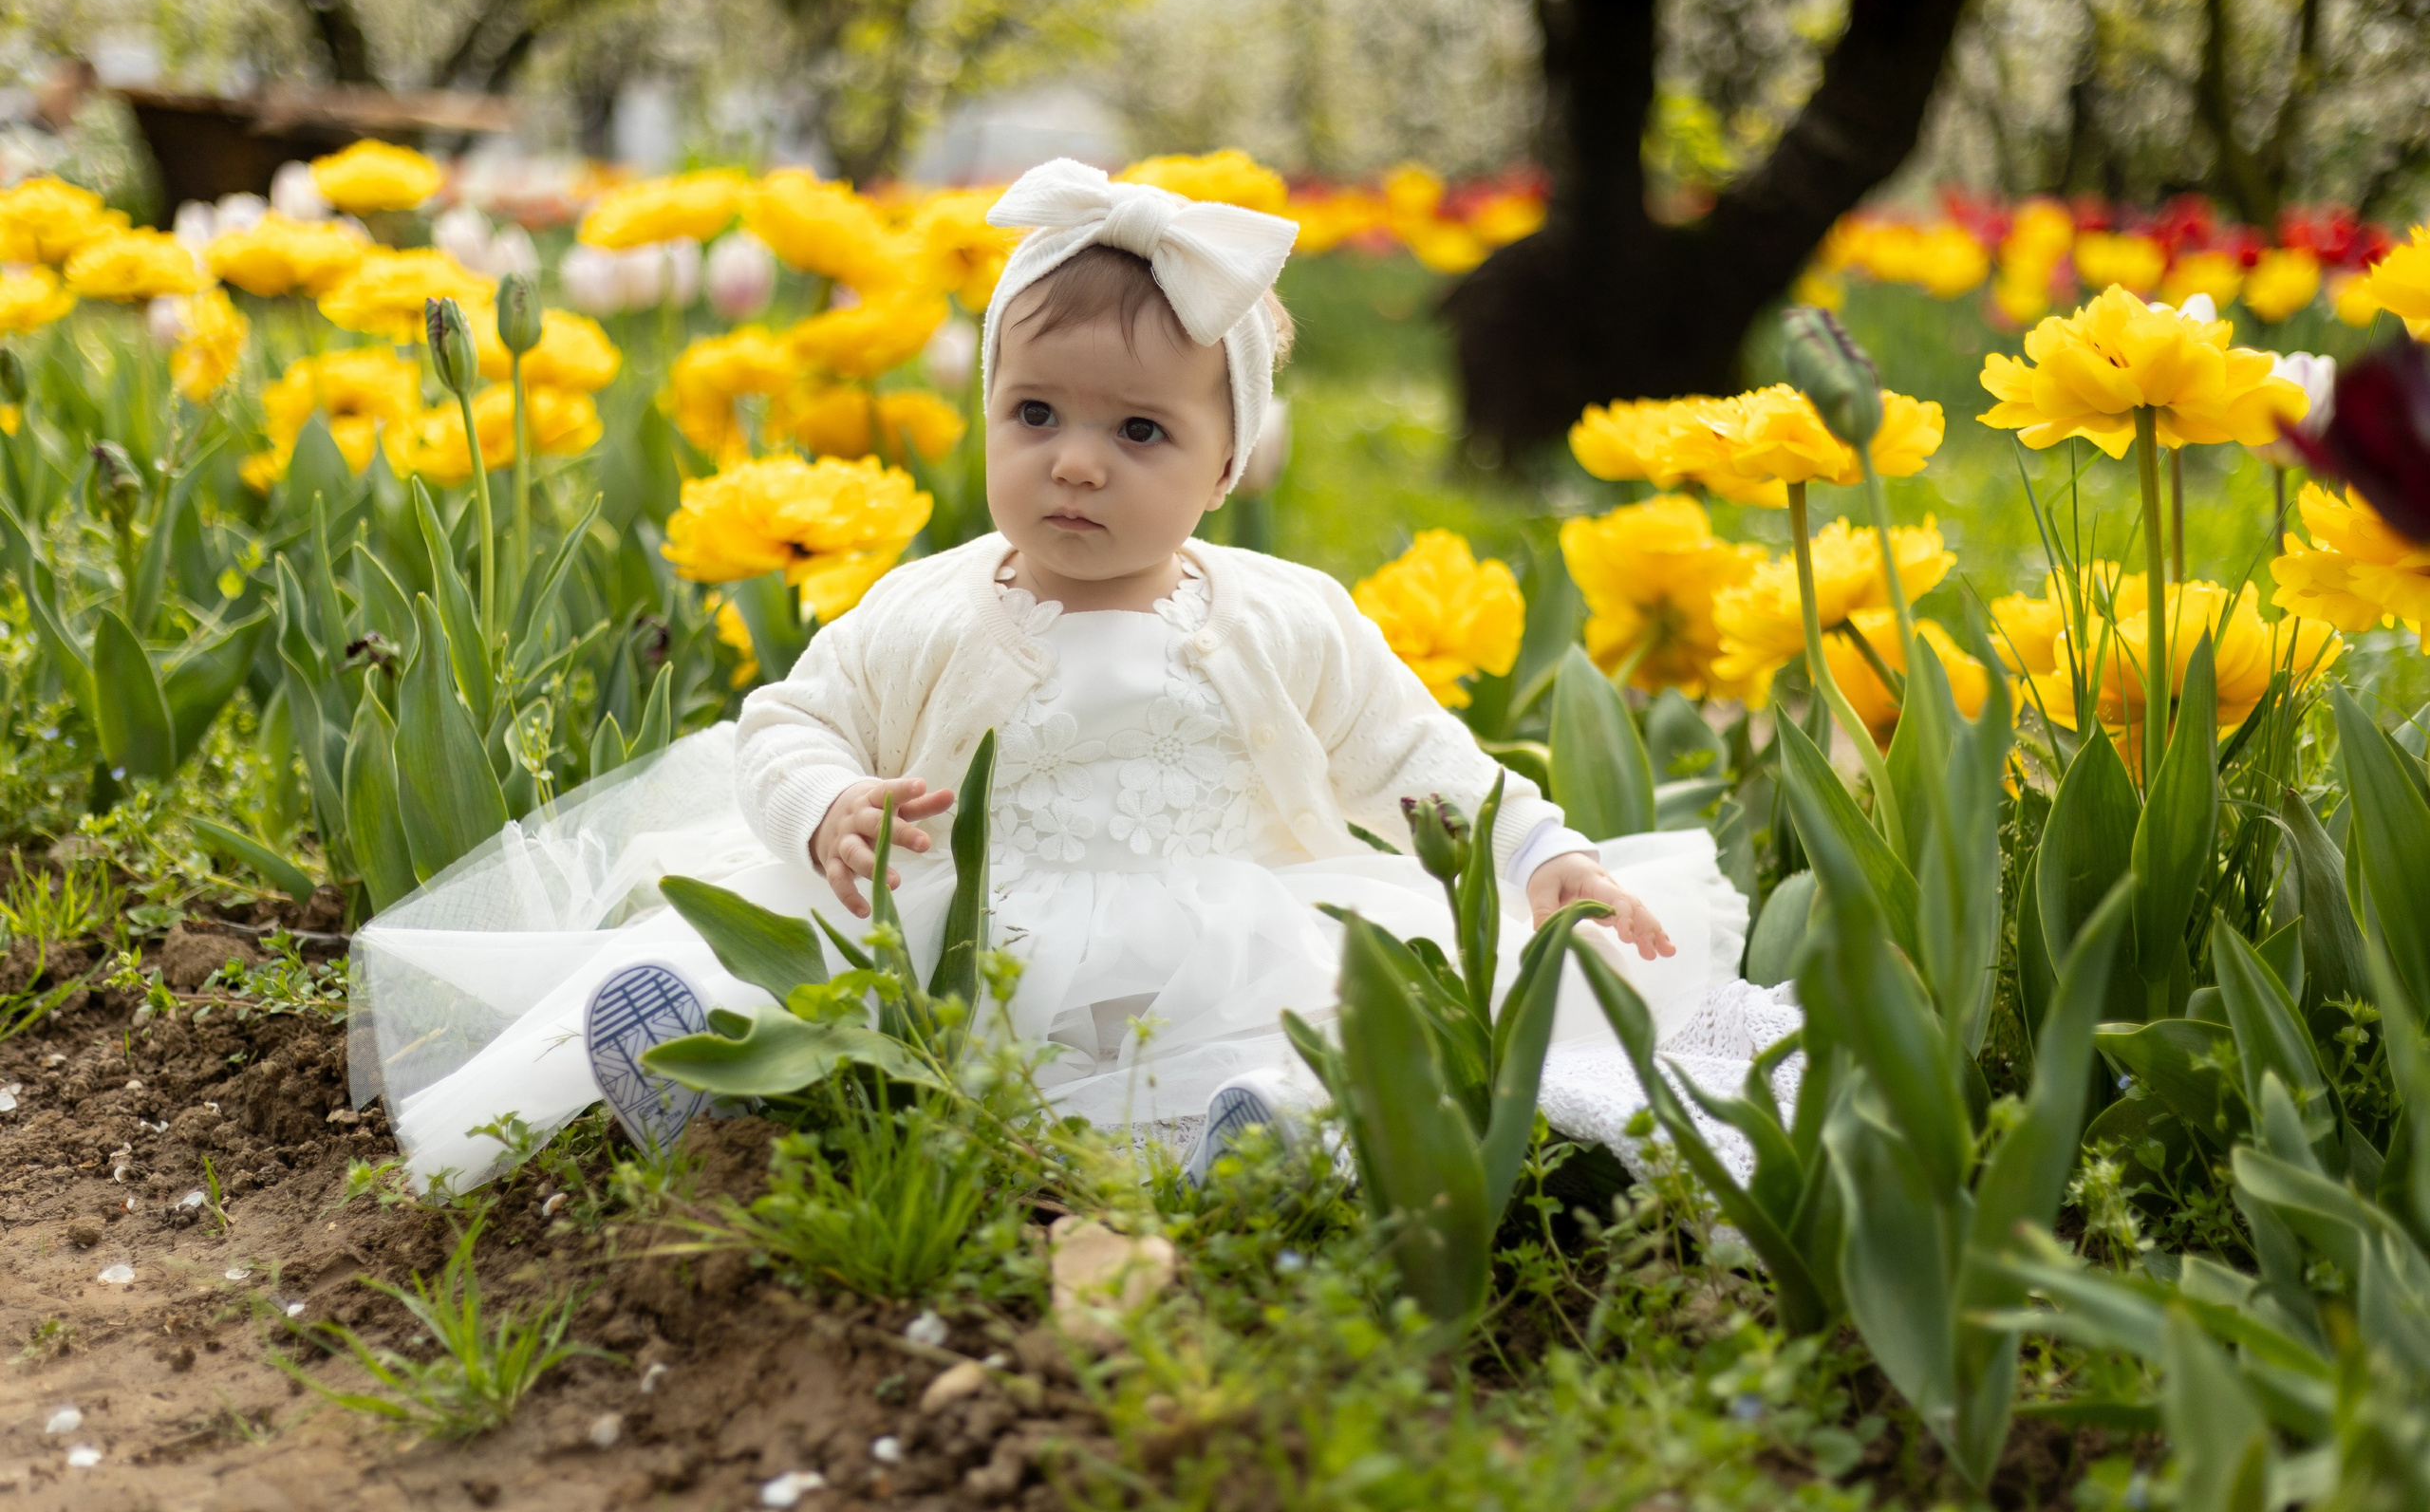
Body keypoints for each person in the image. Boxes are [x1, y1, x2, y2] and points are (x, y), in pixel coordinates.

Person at [351, 159, 1794, 1191]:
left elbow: (1422, 762)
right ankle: (716, 1088)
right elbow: (788, 718)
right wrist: (826, 807)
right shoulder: (927, 606)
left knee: (1317, 1037)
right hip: (956, 918)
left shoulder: (1287, 618)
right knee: (763, 972)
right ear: (985, 418)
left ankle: (1244, 1152)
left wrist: (1541, 851)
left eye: (1141, 432)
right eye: (1033, 413)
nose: (1077, 460)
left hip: (1219, 920)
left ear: (1228, 464)